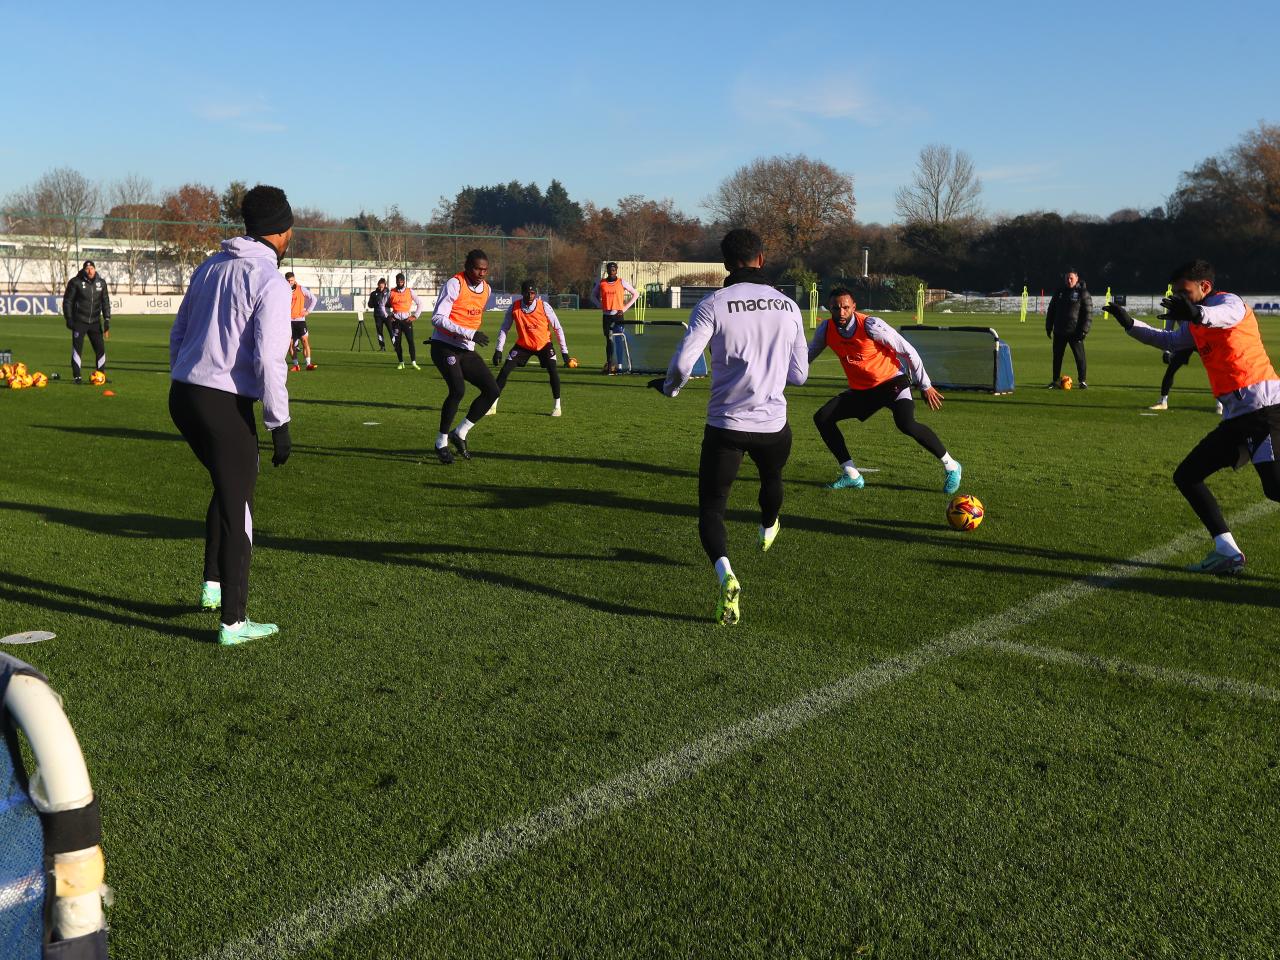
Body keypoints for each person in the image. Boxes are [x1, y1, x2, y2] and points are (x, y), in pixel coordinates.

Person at [647, 228, 809, 626]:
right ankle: (769, 524)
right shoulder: (789, 307)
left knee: (712, 510)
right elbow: (801, 375)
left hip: (726, 425)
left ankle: (726, 573)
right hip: (773, 423)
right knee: (772, 478)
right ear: (762, 257)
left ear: (725, 263)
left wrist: (669, 389)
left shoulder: (713, 305)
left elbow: (684, 364)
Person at [168, 184, 294, 645]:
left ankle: (211, 585)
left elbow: (178, 331)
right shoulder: (270, 280)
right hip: (221, 400)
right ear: (283, 231)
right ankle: (234, 622)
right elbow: (268, 360)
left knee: (227, 487)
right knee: (240, 501)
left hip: (184, 394)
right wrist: (279, 422)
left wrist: (184, 376)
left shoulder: (209, 265)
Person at [1105, 259, 1280, 574]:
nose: (1180, 298)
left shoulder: (1229, 303)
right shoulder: (1195, 319)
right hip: (1237, 418)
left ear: (1205, 287)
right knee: (1187, 475)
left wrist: (1196, 313)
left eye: (1184, 292)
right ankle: (1227, 551)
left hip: (1266, 411)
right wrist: (1129, 324)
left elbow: (1220, 316)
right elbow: (1170, 341)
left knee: (1276, 487)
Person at [810, 287, 963, 494]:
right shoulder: (826, 329)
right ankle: (852, 475)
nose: (841, 312)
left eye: (846, 307)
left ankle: (951, 466)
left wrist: (925, 385)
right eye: (836, 308)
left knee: (906, 423)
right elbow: (807, 357)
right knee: (823, 418)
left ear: (854, 307)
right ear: (829, 308)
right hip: (862, 391)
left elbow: (908, 351)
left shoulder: (872, 326)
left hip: (892, 382)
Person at [427, 249, 498, 463]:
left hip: (466, 348)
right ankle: (441, 442)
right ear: (467, 266)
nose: (482, 273)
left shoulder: (486, 289)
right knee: (458, 390)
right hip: (444, 345)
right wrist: (470, 333)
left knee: (492, 390)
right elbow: (437, 318)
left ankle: (461, 432)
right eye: (477, 268)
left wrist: (469, 337)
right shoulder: (454, 284)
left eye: (485, 269)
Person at [490, 280, 574, 417]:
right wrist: (498, 349)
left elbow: (557, 328)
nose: (530, 296)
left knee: (553, 370)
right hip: (523, 345)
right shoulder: (514, 307)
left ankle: (557, 406)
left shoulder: (544, 306)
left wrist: (565, 352)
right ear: (522, 293)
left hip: (544, 345)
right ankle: (492, 405)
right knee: (504, 371)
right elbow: (504, 328)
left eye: (533, 293)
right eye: (527, 293)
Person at [62, 259, 110, 384]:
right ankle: (77, 376)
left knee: (100, 349)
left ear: (95, 269)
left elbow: (105, 302)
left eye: (92, 268)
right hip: (79, 321)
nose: (90, 271)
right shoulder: (75, 282)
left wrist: (107, 319)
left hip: (95, 322)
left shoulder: (102, 283)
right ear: (84, 270)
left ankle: (101, 375)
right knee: (77, 349)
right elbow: (68, 301)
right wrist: (69, 319)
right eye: (87, 269)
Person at [1045, 269, 1091, 388]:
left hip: (1075, 332)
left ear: (1077, 278)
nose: (1069, 280)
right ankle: (1055, 380)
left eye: (1071, 278)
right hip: (1059, 330)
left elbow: (1088, 314)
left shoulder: (1083, 293)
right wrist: (1048, 326)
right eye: (1067, 278)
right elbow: (1051, 310)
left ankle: (1082, 381)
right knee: (1057, 357)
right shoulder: (1060, 292)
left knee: (1080, 357)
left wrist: (1084, 330)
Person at [590, 261, 638, 375]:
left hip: (618, 316)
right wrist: (600, 306)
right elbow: (593, 296)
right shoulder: (601, 283)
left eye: (614, 270)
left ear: (616, 270)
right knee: (609, 341)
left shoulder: (622, 282)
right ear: (607, 271)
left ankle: (620, 366)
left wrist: (624, 308)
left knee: (619, 340)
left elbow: (635, 294)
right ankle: (610, 364)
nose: (612, 272)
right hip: (607, 316)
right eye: (610, 270)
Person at [284, 272, 317, 371]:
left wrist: (308, 311)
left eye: (292, 280)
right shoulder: (282, 290)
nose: (290, 282)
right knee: (291, 344)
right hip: (288, 320)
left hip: (300, 320)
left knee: (304, 341)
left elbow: (314, 299)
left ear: (294, 280)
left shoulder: (301, 289)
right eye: (288, 281)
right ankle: (296, 365)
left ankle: (308, 364)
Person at [388, 272, 421, 370]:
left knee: (410, 341)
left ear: (404, 281)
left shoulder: (410, 291)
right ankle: (401, 362)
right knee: (397, 343)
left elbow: (420, 303)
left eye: (401, 281)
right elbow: (382, 305)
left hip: (407, 321)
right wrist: (389, 315)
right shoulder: (391, 292)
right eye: (398, 281)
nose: (400, 282)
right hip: (396, 321)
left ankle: (413, 362)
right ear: (396, 281)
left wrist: (415, 316)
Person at [367, 277, 391, 350]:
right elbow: (370, 305)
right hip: (377, 316)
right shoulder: (374, 294)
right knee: (379, 332)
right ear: (378, 284)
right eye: (380, 284)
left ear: (385, 285)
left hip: (387, 315)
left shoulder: (389, 293)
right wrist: (374, 303)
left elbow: (391, 303)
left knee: (391, 331)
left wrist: (384, 304)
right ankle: (382, 346)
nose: (381, 285)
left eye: (383, 284)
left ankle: (396, 346)